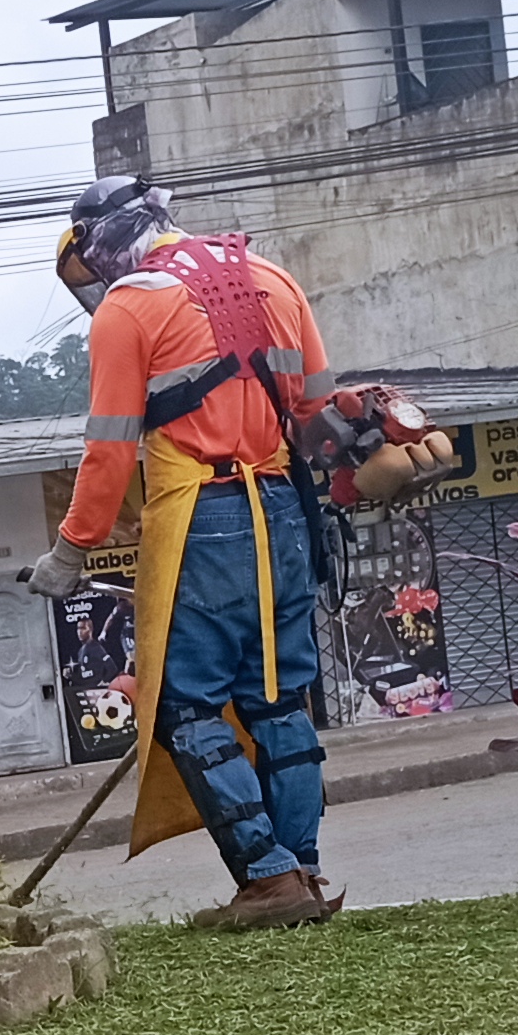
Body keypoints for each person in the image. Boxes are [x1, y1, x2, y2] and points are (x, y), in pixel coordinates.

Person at [50, 175, 340, 931]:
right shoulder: (273, 278)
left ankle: (269, 877)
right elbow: (316, 405)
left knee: (184, 704)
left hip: (203, 515)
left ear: (106, 243)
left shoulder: (129, 308)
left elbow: (110, 449)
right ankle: (304, 869)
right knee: (278, 699)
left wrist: (72, 548)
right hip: (285, 508)